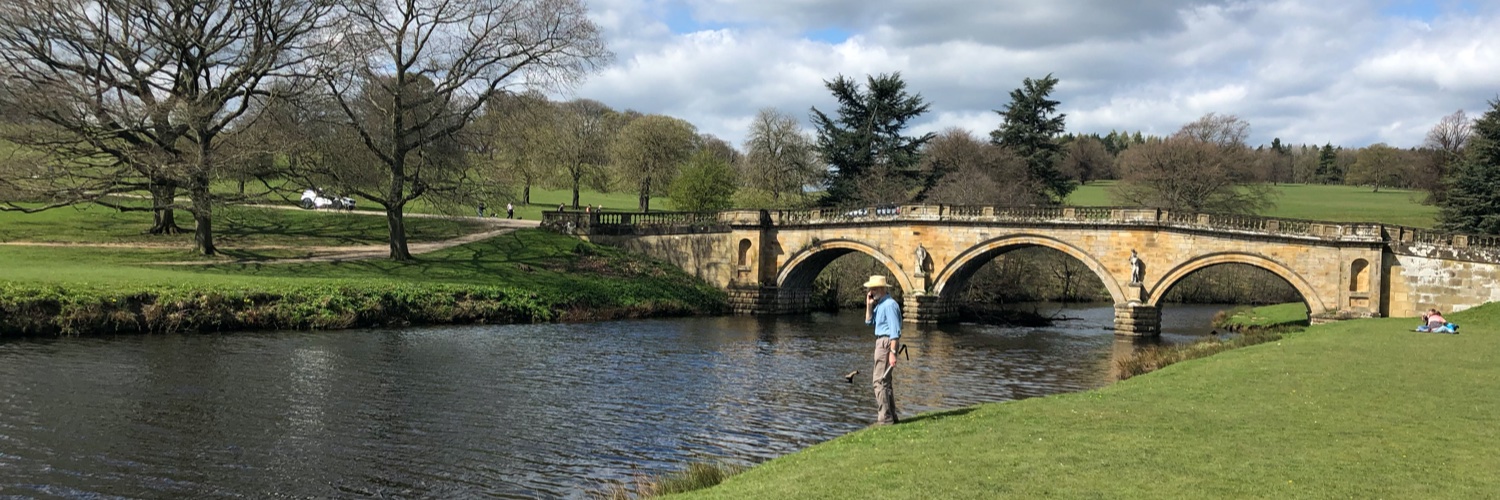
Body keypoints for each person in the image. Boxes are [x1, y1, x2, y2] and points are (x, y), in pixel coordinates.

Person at [863, 275, 901, 425]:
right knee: (885, 382)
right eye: (870, 288)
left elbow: (895, 331)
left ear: (882, 288)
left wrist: (893, 353)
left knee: (879, 381)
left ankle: (885, 418)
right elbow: (868, 321)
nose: (871, 291)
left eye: (873, 288)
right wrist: (869, 305)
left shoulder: (890, 305)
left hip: (886, 343)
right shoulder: (880, 304)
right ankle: (891, 416)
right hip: (881, 341)